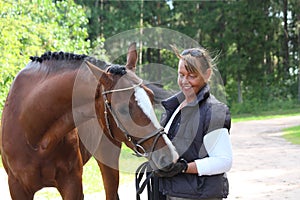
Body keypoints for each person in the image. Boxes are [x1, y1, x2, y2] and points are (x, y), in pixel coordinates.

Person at [154, 46, 232, 200]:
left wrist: (183, 168)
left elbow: (224, 161)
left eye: (192, 75)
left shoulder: (213, 111)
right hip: (170, 192)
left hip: (197, 195)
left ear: (207, 74)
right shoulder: (173, 107)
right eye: (181, 75)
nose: (184, 81)